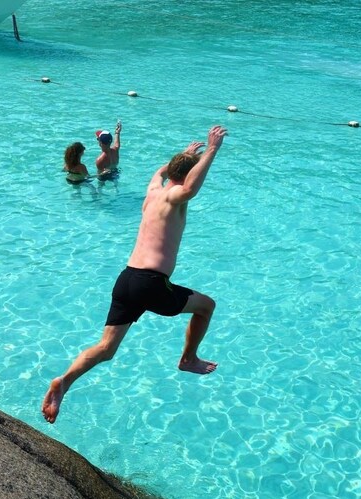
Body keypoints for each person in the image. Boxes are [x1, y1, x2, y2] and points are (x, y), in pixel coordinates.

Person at [42, 125, 228, 424]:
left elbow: (159, 172)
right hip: (150, 284)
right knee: (206, 307)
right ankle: (188, 359)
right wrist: (213, 149)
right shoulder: (174, 198)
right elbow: (190, 187)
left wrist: (184, 155)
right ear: (186, 175)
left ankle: (63, 382)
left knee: (105, 348)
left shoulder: (154, 191)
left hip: (127, 278)